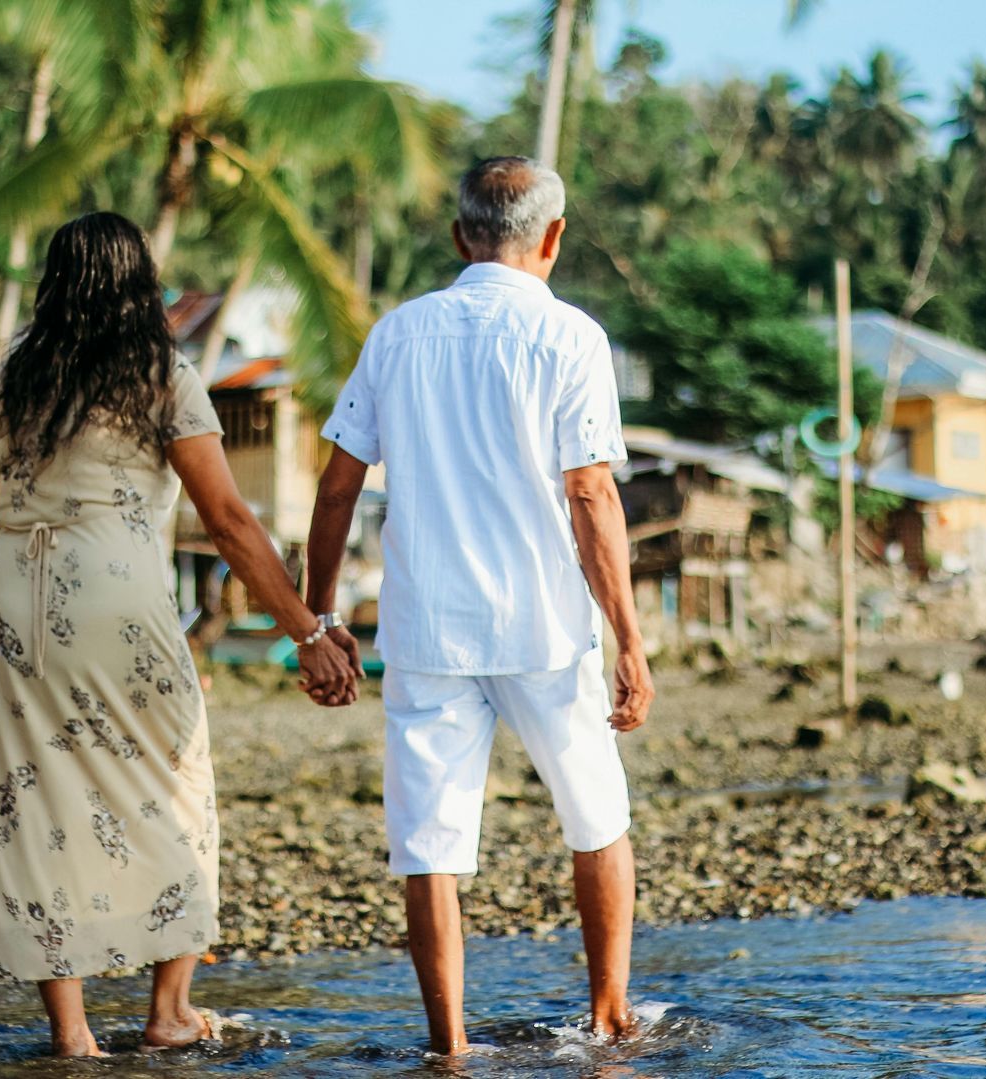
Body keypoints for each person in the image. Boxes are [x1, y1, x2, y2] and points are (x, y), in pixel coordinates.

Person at [0, 211, 357, 1058]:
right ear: (141, 284)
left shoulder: (18, 373)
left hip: (24, 598)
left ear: (57, 281)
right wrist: (308, 630)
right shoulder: (161, 372)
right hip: (118, 596)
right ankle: (168, 1012)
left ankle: (74, 1032)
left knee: (37, 791)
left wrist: (29, 493)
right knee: (172, 781)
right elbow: (230, 520)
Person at [304, 156, 655, 1054]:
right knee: (595, 814)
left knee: (430, 841)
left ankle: (449, 1044)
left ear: (460, 236)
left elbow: (339, 485)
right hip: (546, 626)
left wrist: (321, 616)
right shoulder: (573, 337)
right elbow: (591, 496)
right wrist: (629, 637)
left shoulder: (397, 333)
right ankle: (610, 1015)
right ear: (553, 237)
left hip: (428, 630)